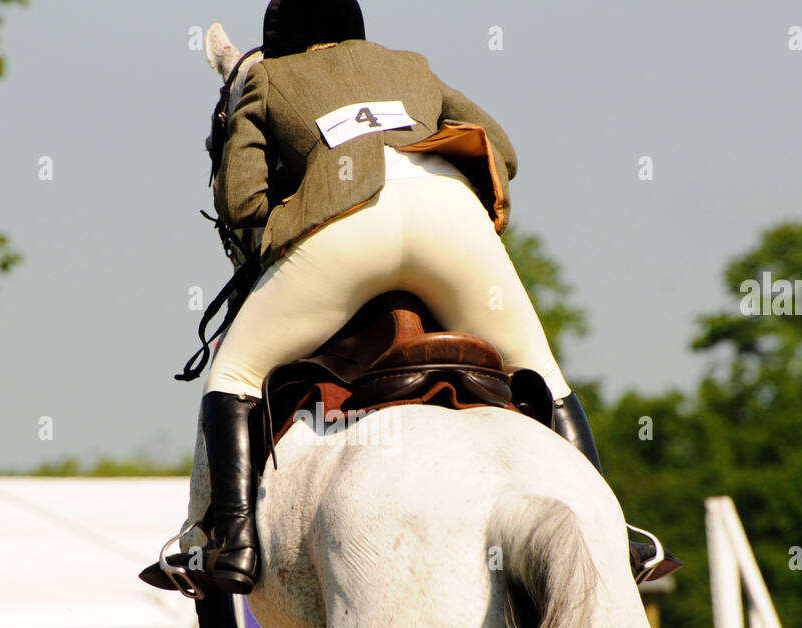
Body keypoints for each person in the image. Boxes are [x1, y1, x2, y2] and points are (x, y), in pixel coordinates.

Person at [147, 0, 678, 597]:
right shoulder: (413, 67)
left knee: (235, 373)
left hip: (344, 233)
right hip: (449, 221)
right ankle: (612, 535)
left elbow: (242, 204)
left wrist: (288, 221)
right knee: (543, 373)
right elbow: (501, 149)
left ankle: (234, 543)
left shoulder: (268, 76)